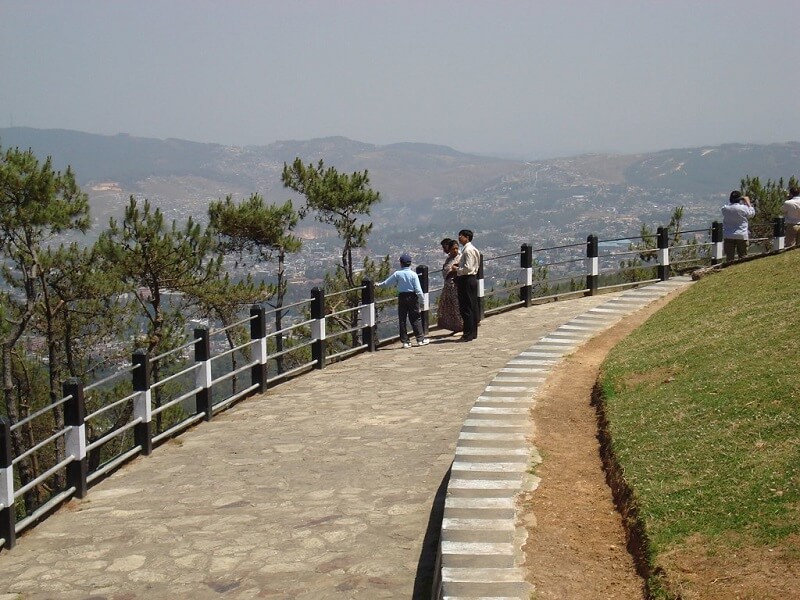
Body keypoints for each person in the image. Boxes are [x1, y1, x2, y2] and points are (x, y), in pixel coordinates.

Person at [376, 253, 429, 348]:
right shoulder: (413, 274)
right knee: (415, 318)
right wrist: (422, 301)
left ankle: (405, 341)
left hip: (402, 297)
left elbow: (386, 283)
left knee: (402, 319)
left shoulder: (397, 274)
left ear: (401, 263)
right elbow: (418, 290)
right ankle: (420, 339)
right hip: (412, 297)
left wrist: (378, 285)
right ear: (410, 263)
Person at [451, 229, 480, 342]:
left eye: (461, 236)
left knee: (466, 307)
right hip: (471, 279)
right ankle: (472, 332)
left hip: (466, 279)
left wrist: (457, 269)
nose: (459, 238)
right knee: (472, 306)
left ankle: (467, 333)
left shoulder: (468, 250)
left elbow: (468, 268)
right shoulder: (472, 249)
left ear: (467, 237)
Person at [437, 238, 463, 334]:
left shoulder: (459, 257)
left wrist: (453, 270)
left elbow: (458, 269)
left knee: (457, 307)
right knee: (449, 307)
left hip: (455, 286)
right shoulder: (449, 258)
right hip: (448, 286)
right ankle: (455, 326)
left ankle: (461, 326)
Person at [721, 190, 755, 261]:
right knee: (743, 257)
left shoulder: (725, 208)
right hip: (741, 235)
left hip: (728, 235)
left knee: (729, 258)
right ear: (739, 199)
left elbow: (727, 205)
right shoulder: (743, 208)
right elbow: (752, 214)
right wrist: (748, 202)